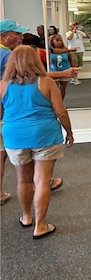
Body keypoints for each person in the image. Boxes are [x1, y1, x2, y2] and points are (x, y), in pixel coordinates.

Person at [1, 45, 74, 238]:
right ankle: (40, 225)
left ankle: (26, 217)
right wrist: (70, 132)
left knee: (23, 179)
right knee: (41, 180)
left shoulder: (3, 85)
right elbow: (60, 111)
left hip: (15, 137)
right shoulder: (46, 82)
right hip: (45, 135)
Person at [0, 19, 29, 205]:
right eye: (16, 34)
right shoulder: (5, 56)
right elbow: (28, 77)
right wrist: (61, 74)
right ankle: (41, 180)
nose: (21, 36)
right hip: (6, 112)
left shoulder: (6, 53)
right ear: (3, 36)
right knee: (28, 148)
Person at [48, 34, 74, 99]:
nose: (59, 42)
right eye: (57, 40)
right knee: (55, 88)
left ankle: (61, 102)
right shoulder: (50, 51)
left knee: (63, 88)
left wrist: (73, 69)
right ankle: (56, 102)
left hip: (65, 70)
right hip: (54, 71)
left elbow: (70, 60)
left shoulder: (65, 50)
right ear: (52, 41)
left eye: (61, 40)